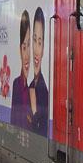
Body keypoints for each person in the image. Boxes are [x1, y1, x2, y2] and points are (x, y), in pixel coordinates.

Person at [28, 7, 49, 138]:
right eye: (34, 40)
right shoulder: (27, 86)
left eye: (40, 42)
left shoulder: (44, 93)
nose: (36, 49)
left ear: (43, 48)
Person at [10, 10, 31, 128]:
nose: (27, 54)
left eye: (29, 46)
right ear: (20, 50)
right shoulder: (16, 84)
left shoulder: (36, 89)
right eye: (24, 47)